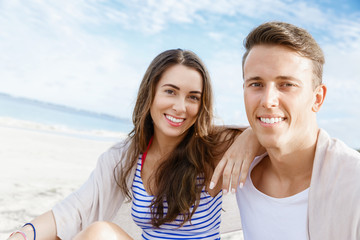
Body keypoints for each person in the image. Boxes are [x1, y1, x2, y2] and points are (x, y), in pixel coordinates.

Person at [8, 49, 260, 240]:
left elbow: (283, 137)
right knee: (99, 233)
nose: (180, 107)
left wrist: (251, 136)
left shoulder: (212, 147)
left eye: (193, 97)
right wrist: (22, 235)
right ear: (150, 94)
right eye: (170, 91)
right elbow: (76, 209)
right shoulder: (127, 156)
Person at [235, 21, 360, 240]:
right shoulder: (240, 173)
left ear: (317, 98)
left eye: (286, 84)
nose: (268, 100)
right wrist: (248, 134)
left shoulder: (354, 183)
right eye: (256, 84)